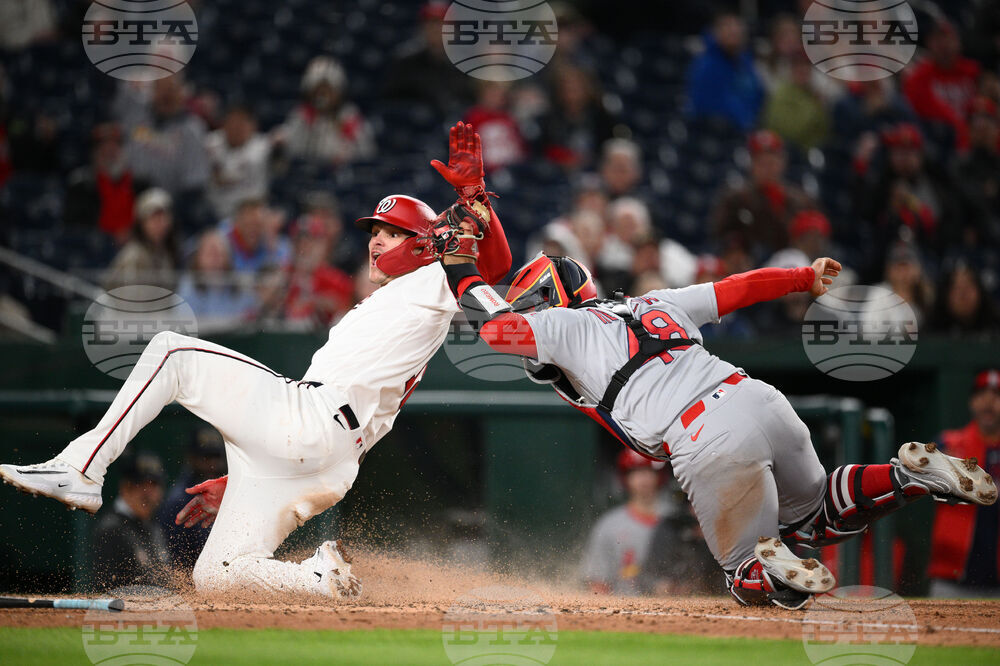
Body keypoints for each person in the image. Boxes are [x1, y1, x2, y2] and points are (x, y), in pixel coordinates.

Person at [0, 122, 512, 600]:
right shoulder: (397, 307)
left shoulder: (430, 282)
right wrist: (252, 467)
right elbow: (359, 428)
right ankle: (316, 578)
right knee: (217, 575)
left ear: (424, 246)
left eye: (392, 232)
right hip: (326, 458)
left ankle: (80, 467)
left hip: (313, 423)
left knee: (171, 352)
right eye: (373, 231)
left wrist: (474, 198)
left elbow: (495, 264)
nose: (375, 240)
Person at [441, 252, 997, 609]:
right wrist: (801, 277)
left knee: (743, 575)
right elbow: (738, 288)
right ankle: (905, 475)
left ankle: (766, 560)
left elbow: (495, 329)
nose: (528, 312)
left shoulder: (562, 324)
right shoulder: (650, 302)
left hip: (704, 433)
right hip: (759, 398)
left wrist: (461, 265)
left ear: (550, 298)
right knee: (821, 516)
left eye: (531, 302)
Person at [929, 369, 1000, 597]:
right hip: (952, 577)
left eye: (996, 395)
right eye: (982, 395)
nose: (988, 402)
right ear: (971, 402)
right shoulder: (950, 445)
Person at [711, 130, 816, 263]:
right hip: (748, 269)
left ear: (782, 163)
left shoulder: (799, 200)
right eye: (762, 163)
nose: (768, 169)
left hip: (785, 268)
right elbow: (720, 237)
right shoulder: (736, 198)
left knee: (795, 259)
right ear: (752, 165)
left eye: (772, 162)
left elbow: (810, 240)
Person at [581, 450, 668, 596]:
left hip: (676, 610)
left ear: (659, 476)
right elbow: (597, 584)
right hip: (624, 610)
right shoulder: (609, 525)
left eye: (649, 471)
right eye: (636, 472)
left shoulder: (677, 519)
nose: (644, 479)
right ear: (625, 478)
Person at [90, 452, 170, 590]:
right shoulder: (111, 529)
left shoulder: (154, 527)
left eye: (154, 485)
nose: (148, 493)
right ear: (125, 488)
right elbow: (106, 591)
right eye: (141, 485)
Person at [902, 18, 981, 151]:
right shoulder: (918, 77)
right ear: (929, 44)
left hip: (973, 137)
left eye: (948, 39)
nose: (944, 46)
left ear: (958, 42)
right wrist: (960, 128)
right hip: (939, 141)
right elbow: (925, 111)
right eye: (938, 40)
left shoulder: (972, 71)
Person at [278, 57, 375, 165]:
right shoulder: (301, 114)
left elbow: (367, 153)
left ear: (339, 92)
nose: (323, 95)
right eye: (318, 90)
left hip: (341, 177)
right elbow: (289, 147)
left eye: (328, 90)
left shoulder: (349, 116)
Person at [156, 427, 227, 571]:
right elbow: (177, 564)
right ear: (191, 458)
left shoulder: (229, 490)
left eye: (216, 457)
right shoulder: (178, 502)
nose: (212, 464)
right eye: (205, 457)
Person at [64, 122, 145, 243]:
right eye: (103, 146)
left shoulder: (141, 185)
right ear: (94, 152)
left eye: (115, 145)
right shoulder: (80, 186)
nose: (109, 150)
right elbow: (75, 229)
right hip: (95, 250)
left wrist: (134, 234)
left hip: (135, 248)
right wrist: (109, 238)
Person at [685, 10, 764, 132]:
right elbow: (706, 106)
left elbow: (756, 96)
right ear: (715, 33)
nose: (733, 32)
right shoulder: (706, 65)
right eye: (727, 28)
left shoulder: (746, 64)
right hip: (715, 133)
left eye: (737, 28)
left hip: (747, 129)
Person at [103, 188, 179, 290]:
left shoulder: (167, 254)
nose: (160, 223)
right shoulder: (134, 256)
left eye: (163, 217)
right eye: (154, 218)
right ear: (142, 223)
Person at [205, 104, 271, 220]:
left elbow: (228, 176)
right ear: (224, 124)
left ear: (252, 126)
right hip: (212, 212)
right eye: (232, 122)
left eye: (242, 123)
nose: (236, 128)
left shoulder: (262, 147)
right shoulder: (210, 143)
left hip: (249, 214)